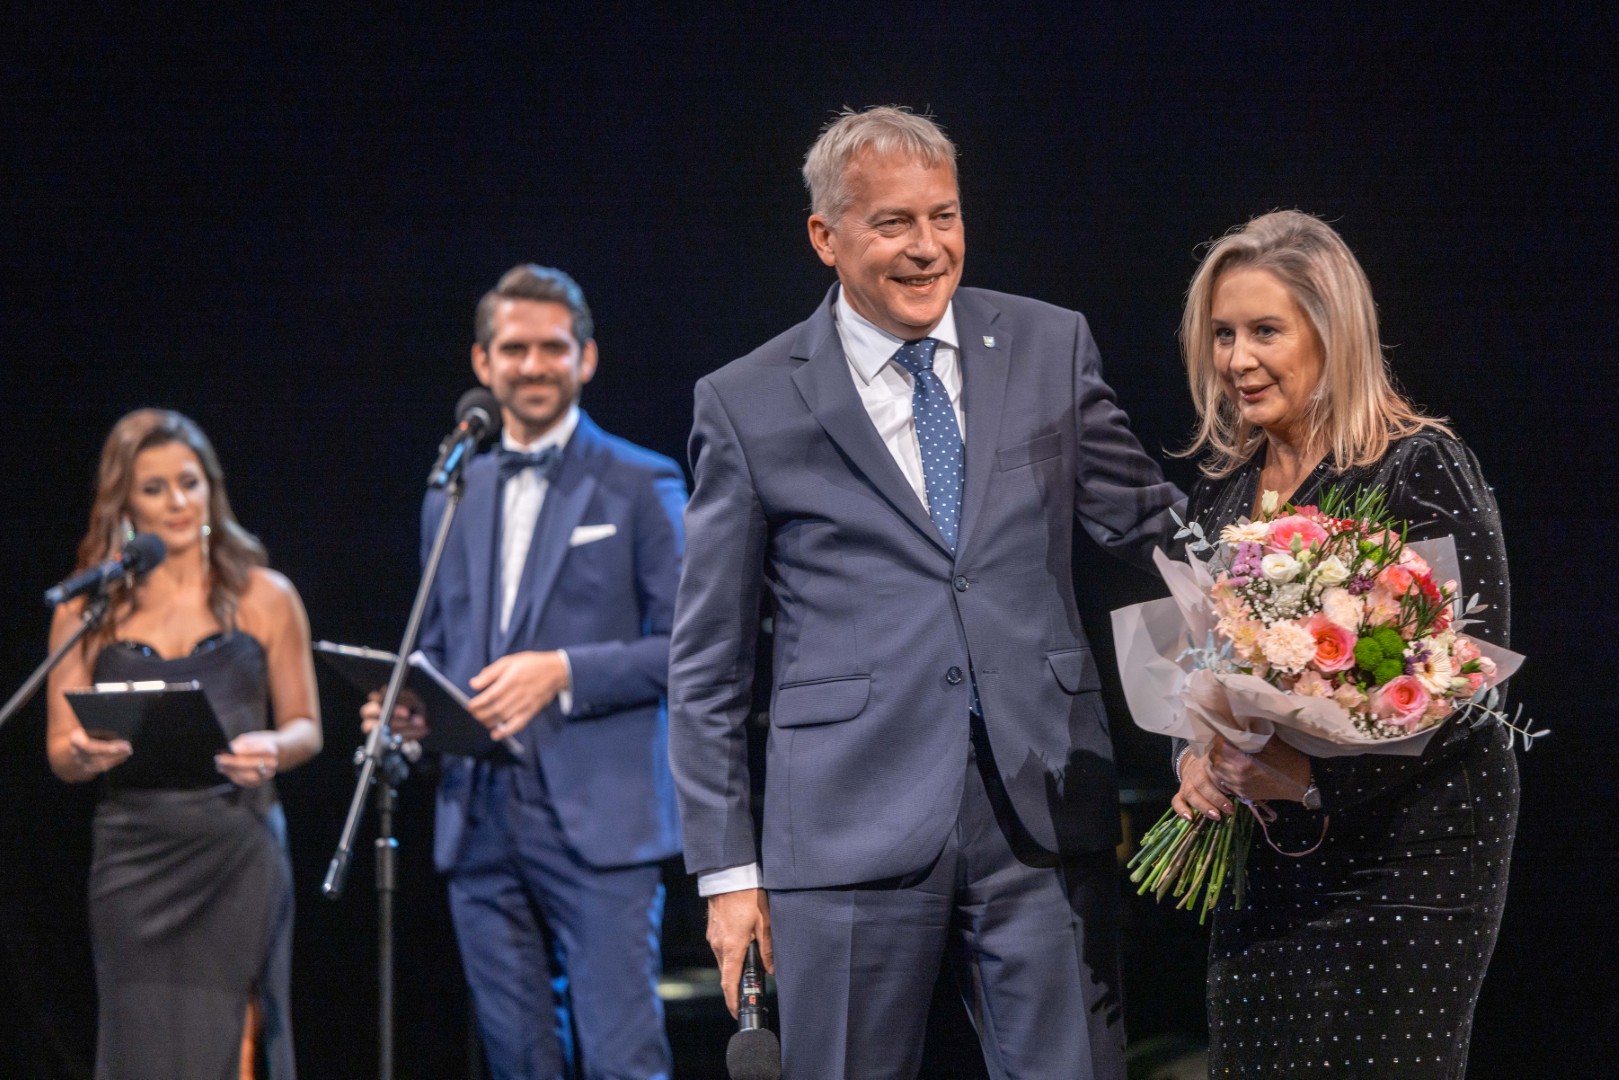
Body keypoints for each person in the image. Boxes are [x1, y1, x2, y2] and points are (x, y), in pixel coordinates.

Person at [668, 106, 1183, 1079]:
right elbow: (708, 662)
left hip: (1040, 808)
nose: (926, 247)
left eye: (942, 216)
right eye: (892, 223)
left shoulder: (1047, 344)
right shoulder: (745, 401)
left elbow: (1152, 527)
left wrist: (1295, 581)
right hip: (843, 826)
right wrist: (726, 873)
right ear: (825, 236)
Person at [1167, 210, 1518, 1078]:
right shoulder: (1222, 492)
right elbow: (1200, 663)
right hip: (1264, 858)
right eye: (1222, 334)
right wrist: (1196, 758)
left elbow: (1472, 681)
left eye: (1264, 331)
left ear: (1332, 334)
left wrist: (1312, 779)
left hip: (1408, 860)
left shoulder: (1416, 465)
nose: (1236, 359)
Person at [365, 265, 685, 1080]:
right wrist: (415, 710)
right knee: (516, 1061)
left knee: (621, 1059)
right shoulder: (451, 490)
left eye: (552, 348)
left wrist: (564, 671)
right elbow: (443, 645)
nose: (534, 366)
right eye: (514, 349)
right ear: (483, 362)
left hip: (599, 815)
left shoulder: (641, 481)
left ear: (586, 358)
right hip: (477, 815)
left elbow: (693, 647)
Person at [45, 409, 322, 1080]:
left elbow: (307, 727)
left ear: (211, 488)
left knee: (239, 1044)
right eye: (154, 488)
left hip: (236, 846)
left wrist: (272, 747)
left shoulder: (265, 595)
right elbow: (59, 749)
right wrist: (81, 754)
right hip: (134, 856)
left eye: (189, 483)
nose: (177, 501)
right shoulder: (86, 611)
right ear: (124, 503)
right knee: (141, 1047)